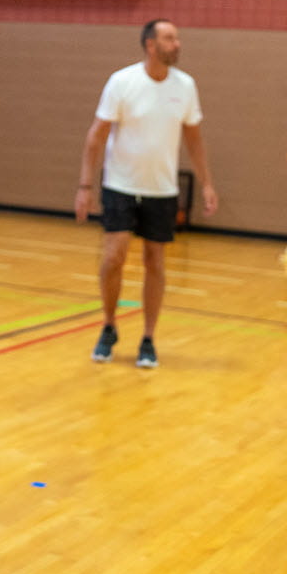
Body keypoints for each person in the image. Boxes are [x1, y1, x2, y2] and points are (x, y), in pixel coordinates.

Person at [74, 19, 218, 369]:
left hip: (162, 189)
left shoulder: (185, 86)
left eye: (178, 38)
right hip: (120, 185)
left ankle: (148, 338)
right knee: (114, 256)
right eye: (170, 38)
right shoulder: (122, 82)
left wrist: (207, 183)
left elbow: (194, 139)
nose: (177, 44)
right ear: (151, 45)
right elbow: (96, 136)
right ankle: (109, 326)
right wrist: (85, 186)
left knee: (155, 261)